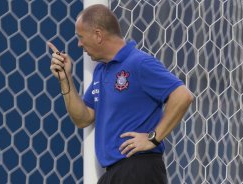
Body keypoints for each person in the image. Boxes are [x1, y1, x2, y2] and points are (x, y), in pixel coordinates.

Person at [48, 4, 193, 184]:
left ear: (98, 35)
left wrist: (152, 138)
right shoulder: (101, 70)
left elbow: (183, 96)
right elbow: (83, 118)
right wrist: (65, 78)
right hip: (114, 173)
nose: (79, 44)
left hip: (139, 170)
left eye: (80, 37)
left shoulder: (139, 62)